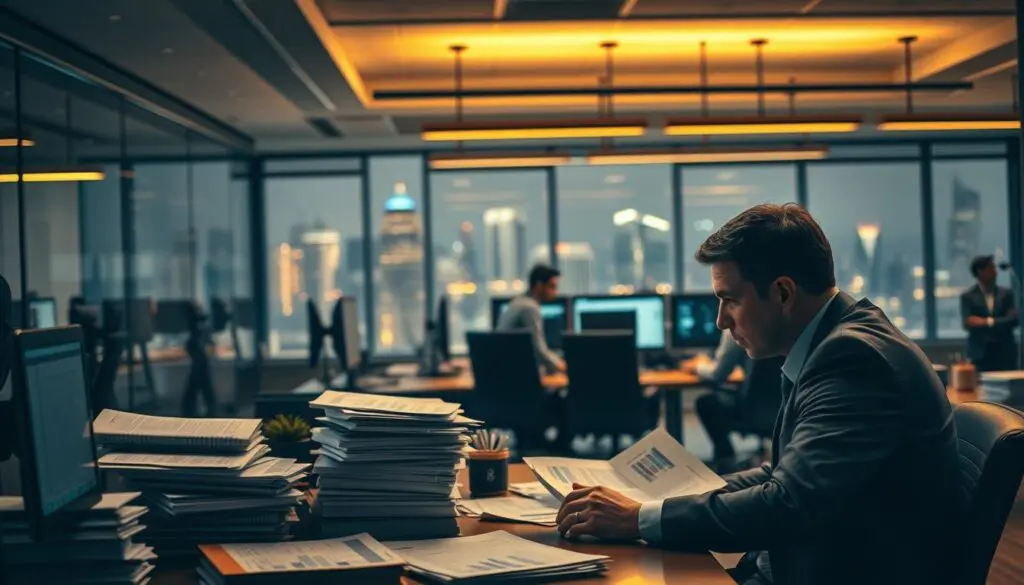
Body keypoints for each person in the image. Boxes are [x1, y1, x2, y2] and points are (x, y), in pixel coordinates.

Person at [554, 203, 964, 585]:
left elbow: (789, 503)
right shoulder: (834, 341)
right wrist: (655, 500)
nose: (719, 322)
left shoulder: (853, 359)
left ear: (783, 292)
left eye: (729, 300)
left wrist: (638, 519)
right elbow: (783, 476)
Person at [693, 330, 752, 468]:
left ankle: (726, 459)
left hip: (748, 410)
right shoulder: (788, 323)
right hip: (786, 405)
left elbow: (717, 374)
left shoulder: (737, 328)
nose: (720, 323)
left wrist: (698, 365)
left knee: (705, 403)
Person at [495, 264, 566, 373]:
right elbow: (539, 350)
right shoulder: (530, 308)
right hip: (519, 377)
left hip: (506, 374)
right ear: (539, 285)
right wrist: (562, 366)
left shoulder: (516, 303)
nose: (555, 293)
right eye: (552, 287)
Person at [961, 254, 1018, 372]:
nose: (995, 272)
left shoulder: (1006, 294)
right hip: (980, 354)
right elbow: (968, 323)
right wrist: (1000, 321)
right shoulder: (968, 296)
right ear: (980, 272)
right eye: (991, 268)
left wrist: (987, 322)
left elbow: (1013, 320)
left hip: (1005, 352)